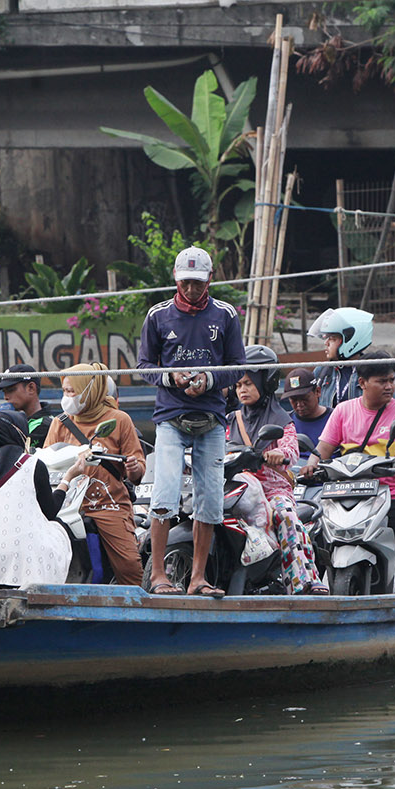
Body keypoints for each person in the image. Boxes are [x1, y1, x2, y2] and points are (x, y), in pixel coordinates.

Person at [137, 245, 247, 597]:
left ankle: (198, 577)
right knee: (164, 493)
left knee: (210, 499)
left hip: (212, 418)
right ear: (175, 279)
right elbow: (143, 366)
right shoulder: (157, 316)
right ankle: (157, 575)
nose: (191, 290)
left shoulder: (226, 315)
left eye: (197, 283)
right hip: (170, 417)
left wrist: (210, 380)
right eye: (185, 283)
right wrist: (172, 377)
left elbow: (239, 366)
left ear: (210, 280)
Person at [299, 351, 395, 593]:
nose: (389, 386)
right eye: (382, 381)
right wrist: (311, 464)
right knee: (316, 538)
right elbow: (323, 449)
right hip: (345, 493)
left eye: (391, 380)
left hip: (392, 494)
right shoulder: (343, 411)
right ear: (362, 383)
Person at [229, 346, 327, 595]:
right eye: (239, 384)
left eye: (249, 383)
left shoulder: (281, 418)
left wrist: (279, 455)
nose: (242, 389)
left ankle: (304, 580)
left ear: (266, 382)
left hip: (271, 491)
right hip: (237, 489)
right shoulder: (231, 419)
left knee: (285, 516)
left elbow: (291, 449)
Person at [43, 362, 148, 586]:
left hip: (106, 504)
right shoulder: (59, 423)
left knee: (129, 565)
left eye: (72, 391)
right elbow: (46, 461)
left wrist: (133, 468)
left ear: (89, 391)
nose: (67, 397)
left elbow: (137, 470)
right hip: (67, 503)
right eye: (65, 391)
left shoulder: (119, 420)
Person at [309, 307, 374, 409]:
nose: (326, 343)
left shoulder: (373, 371)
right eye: (327, 338)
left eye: (332, 339)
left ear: (351, 340)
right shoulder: (321, 371)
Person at [0, 364, 51, 449]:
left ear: (31, 388)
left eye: (11, 390)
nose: (6, 397)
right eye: (4, 392)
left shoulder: (47, 426)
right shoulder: (11, 421)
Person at [282, 367, 331, 454]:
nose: (299, 404)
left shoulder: (335, 419)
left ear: (317, 392)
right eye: (294, 399)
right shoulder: (286, 423)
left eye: (304, 398)